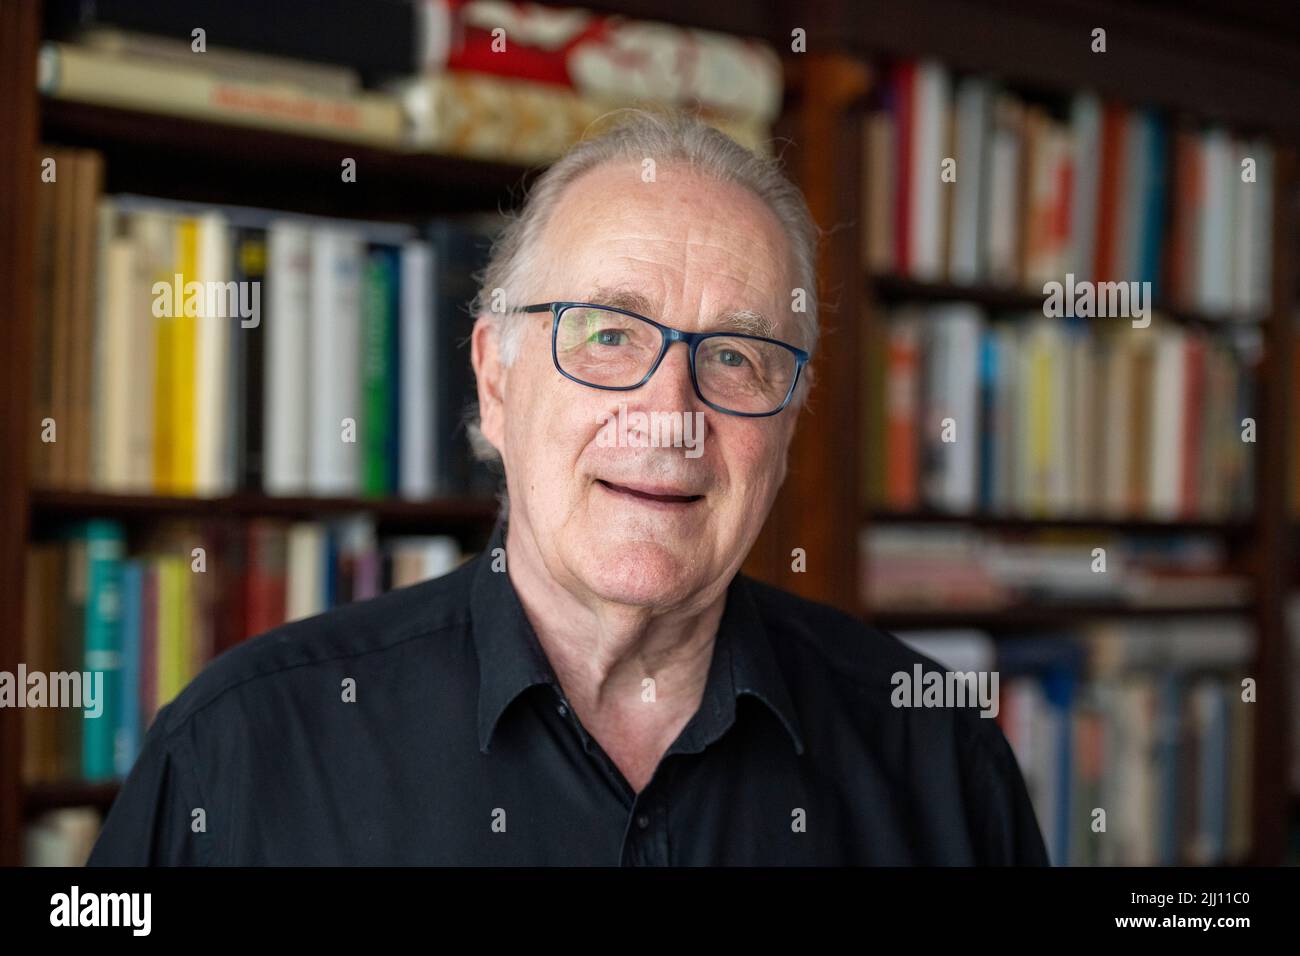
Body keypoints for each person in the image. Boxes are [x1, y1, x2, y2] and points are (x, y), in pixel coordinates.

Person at [89, 111, 1048, 865]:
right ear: (496, 380)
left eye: (737, 357)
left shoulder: (940, 759)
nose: (670, 414)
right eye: (607, 335)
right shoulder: (240, 751)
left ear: (788, 424)